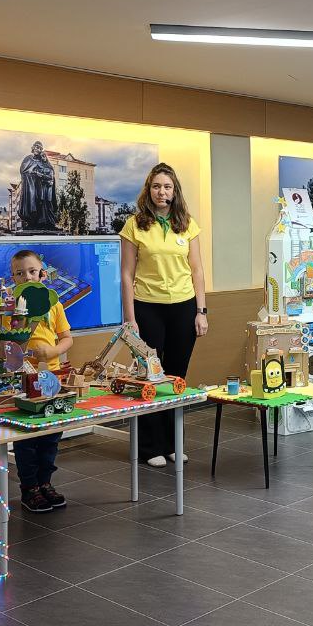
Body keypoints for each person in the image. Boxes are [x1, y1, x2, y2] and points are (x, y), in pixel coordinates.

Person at [120, 162, 207, 468]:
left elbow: (197, 271)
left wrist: (201, 311)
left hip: (183, 307)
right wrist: (130, 318)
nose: (162, 192)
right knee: (151, 377)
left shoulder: (188, 224)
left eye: (167, 187)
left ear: (174, 191)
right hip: (148, 308)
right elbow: (126, 274)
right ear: (149, 190)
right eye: (156, 186)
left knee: (176, 377)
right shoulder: (134, 225)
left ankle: (172, 444)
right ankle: (150, 447)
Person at [0, 249, 74, 513]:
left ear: (42, 274)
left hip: (51, 377)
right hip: (21, 378)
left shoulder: (54, 305)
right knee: (26, 438)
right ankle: (30, 488)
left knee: (50, 435)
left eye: (32, 271)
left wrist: (52, 351)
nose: (27, 277)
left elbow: (67, 338)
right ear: (12, 277)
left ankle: (45, 482)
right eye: (20, 273)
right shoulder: (8, 307)